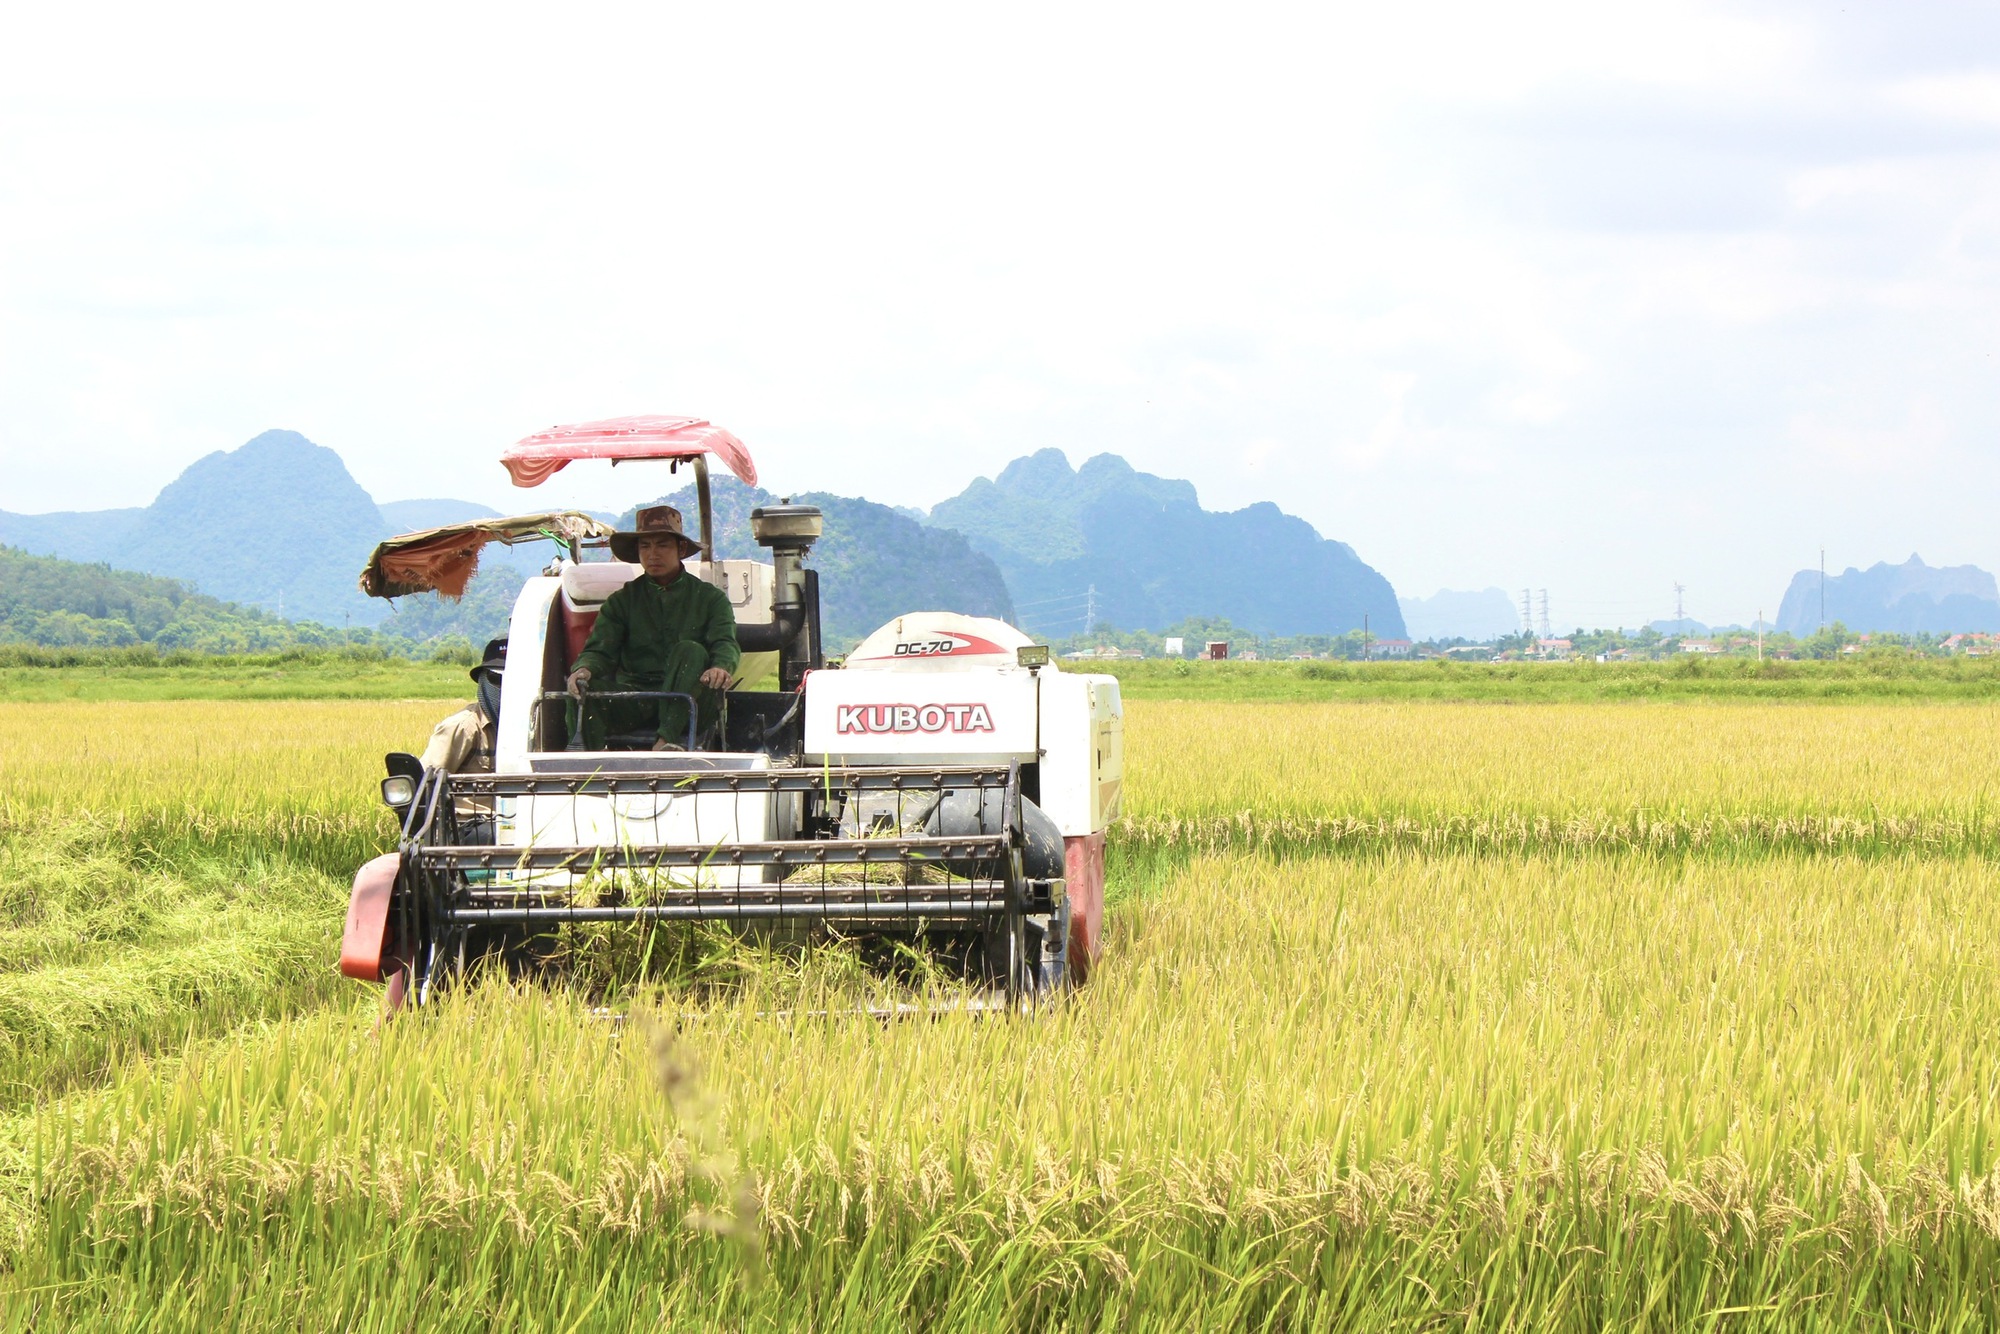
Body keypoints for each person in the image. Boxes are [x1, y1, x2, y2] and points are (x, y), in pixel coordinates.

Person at [566, 505, 739, 750]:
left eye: (662, 545)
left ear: (680, 549)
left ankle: (665, 743)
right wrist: (583, 669)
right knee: (584, 689)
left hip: (693, 700)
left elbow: (726, 643)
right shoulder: (622, 601)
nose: (652, 554)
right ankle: (583, 766)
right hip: (637, 698)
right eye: (645, 546)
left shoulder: (710, 599)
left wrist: (721, 667)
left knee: (691, 651)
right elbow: (600, 651)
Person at [422, 637, 506, 773]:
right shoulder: (463, 727)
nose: (505, 687)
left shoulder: (535, 729)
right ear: (482, 680)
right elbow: (427, 782)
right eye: (497, 679)